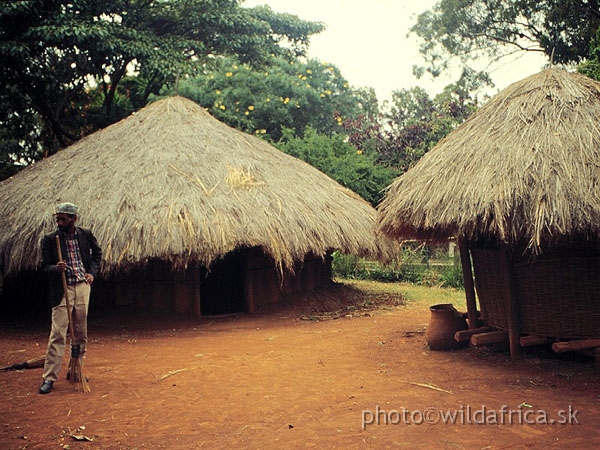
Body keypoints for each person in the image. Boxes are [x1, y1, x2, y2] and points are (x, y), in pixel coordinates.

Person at [38, 202, 102, 394]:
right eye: (57, 218)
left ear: (74, 219)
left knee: (80, 332)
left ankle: (75, 370)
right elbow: (44, 266)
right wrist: (55, 269)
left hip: (82, 286)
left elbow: (97, 254)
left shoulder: (86, 234)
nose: (59, 222)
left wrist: (91, 273)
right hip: (62, 289)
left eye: (63, 219)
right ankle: (49, 377)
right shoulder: (50, 239)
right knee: (58, 333)